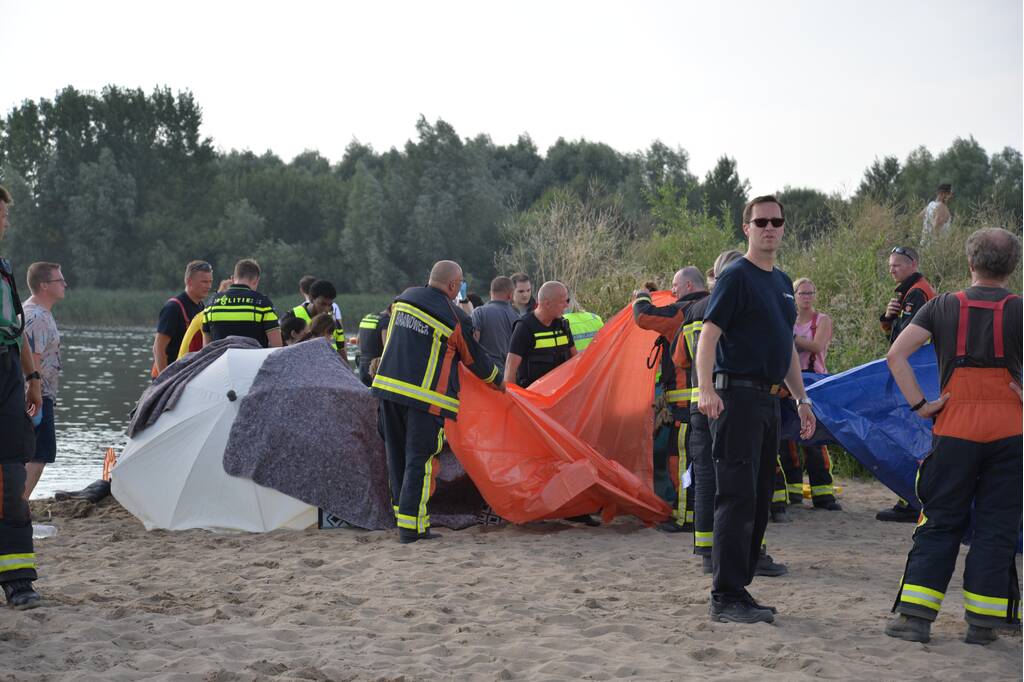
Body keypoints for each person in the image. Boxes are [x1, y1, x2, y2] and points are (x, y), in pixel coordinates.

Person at [884, 227, 1022, 646]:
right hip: (1012, 433)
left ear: (970, 263)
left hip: (954, 426)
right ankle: (982, 625)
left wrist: (921, 406)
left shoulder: (942, 306)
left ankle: (915, 619)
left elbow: (896, 355)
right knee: (997, 527)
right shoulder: (1021, 310)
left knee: (940, 520)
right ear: (1013, 266)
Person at [696, 196, 816, 624]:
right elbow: (708, 336)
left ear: (784, 228)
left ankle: (739, 588)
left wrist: (802, 400)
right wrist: (706, 389)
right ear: (746, 227)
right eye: (760, 221)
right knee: (736, 495)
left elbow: (785, 349)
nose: (769, 227)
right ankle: (724, 595)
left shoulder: (782, 283)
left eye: (776, 221)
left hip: (769, 401)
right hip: (736, 398)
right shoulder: (736, 277)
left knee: (760, 497)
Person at [371, 260, 504, 543]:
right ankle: (412, 529)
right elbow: (476, 362)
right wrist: (501, 383)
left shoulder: (403, 299)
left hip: (387, 391)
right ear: (454, 286)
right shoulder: (454, 317)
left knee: (396, 458)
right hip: (425, 400)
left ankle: (406, 522)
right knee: (421, 461)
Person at [632, 267, 708, 532]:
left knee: (681, 458)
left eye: (675, 287)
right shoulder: (715, 307)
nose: (672, 292)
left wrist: (642, 296)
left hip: (686, 405)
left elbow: (643, 317)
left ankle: (685, 516)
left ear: (688, 285)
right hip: (717, 399)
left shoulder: (682, 311)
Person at [0, 184, 44, 609]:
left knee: (12, 479)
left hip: (9, 374)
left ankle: (17, 581)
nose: (6, 222)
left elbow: (16, 328)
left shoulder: (4, 269)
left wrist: (33, 376)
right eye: (2, 215)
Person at [876, 245, 936, 522]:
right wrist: (888, 319)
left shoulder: (918, 291)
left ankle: (912, 502)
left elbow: (911, 339)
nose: (892, 270)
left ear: (912, 264)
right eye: (890, 266)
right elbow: (897, 332)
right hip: (910, 370)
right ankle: (909, 498)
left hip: (913, 373)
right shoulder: (907, 292)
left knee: (911, 434)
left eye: (897, 265)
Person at [781, 277, 840, 511]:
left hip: (815, 380)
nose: (806, 297)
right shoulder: (788, 320)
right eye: (801, 293)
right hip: (789, 380)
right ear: (794, 296)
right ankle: (793, 491)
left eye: (809, 293)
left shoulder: (822, 320)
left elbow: (817, 346)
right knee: (787, 438)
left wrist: (792, 339)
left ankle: (824, 494)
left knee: (814, 438)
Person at [21, 262, 66, 501]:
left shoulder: (39, 312)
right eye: (60, 280)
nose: (65, 284)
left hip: (37, 392)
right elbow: (32, 358)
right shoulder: (36, 317)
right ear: (44, 285)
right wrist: (35, 394)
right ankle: (16, 506)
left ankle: (14, 506)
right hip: (36, 394)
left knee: (31, 453)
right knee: (39, 454)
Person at [505, 281, 576, 389]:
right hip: (533, 400)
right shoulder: (525, 327)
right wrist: (512, 401)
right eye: (562, 302)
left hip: (561, 397)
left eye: (567, 300)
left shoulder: (563, 325)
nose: (566, 305)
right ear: (547, 303)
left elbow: (575, 361)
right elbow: (510, 368)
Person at [152, 260, 213, 376]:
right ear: (189, 281)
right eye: (204, 282)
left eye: (210, 282)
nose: (209, 286)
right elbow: (158, 348)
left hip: (185, 375)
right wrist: (165, 380)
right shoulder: (173, 308)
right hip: (168, 376)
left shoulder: (201, 307)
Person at [202, 259, 281, 348]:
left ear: (232, 279)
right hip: (253, 361)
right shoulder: (263, 304)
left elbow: (206, 349)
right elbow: (277, 347)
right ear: (256, 280)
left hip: (221, 361)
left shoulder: (211, 304)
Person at [471, 276, 520, 372]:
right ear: (510, 295)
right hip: (508, 376)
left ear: (490, 293)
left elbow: (472, 344)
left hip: (485, 374)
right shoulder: (518, 318)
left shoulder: (479, 312)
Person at [291, 279, 344, 354]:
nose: (326, 309)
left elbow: (342, 351)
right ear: (311, 299)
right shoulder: (292, 316)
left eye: (330, 305)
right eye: (322, 304)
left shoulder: (335, 322)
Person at [357, 304, 392, 386]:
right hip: (375, 367)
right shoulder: (386, 321)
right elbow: (386, 346)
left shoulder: (367, 317)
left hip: (362, 365)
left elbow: (358, 341)